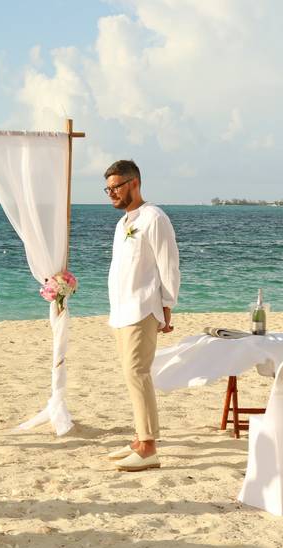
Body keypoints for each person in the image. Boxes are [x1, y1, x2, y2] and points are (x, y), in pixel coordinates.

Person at [103, 160, 180, 471]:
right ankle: (139, 438)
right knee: (130, 374)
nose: (111, 194)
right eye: (107, 189)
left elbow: (168, 264)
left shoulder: (154, 218)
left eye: (116, 187)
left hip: (142, 308)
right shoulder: (123, 223)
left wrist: (166, 305)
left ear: (134, 183)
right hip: (121, 310)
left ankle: (148, 447)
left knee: (138, 373)